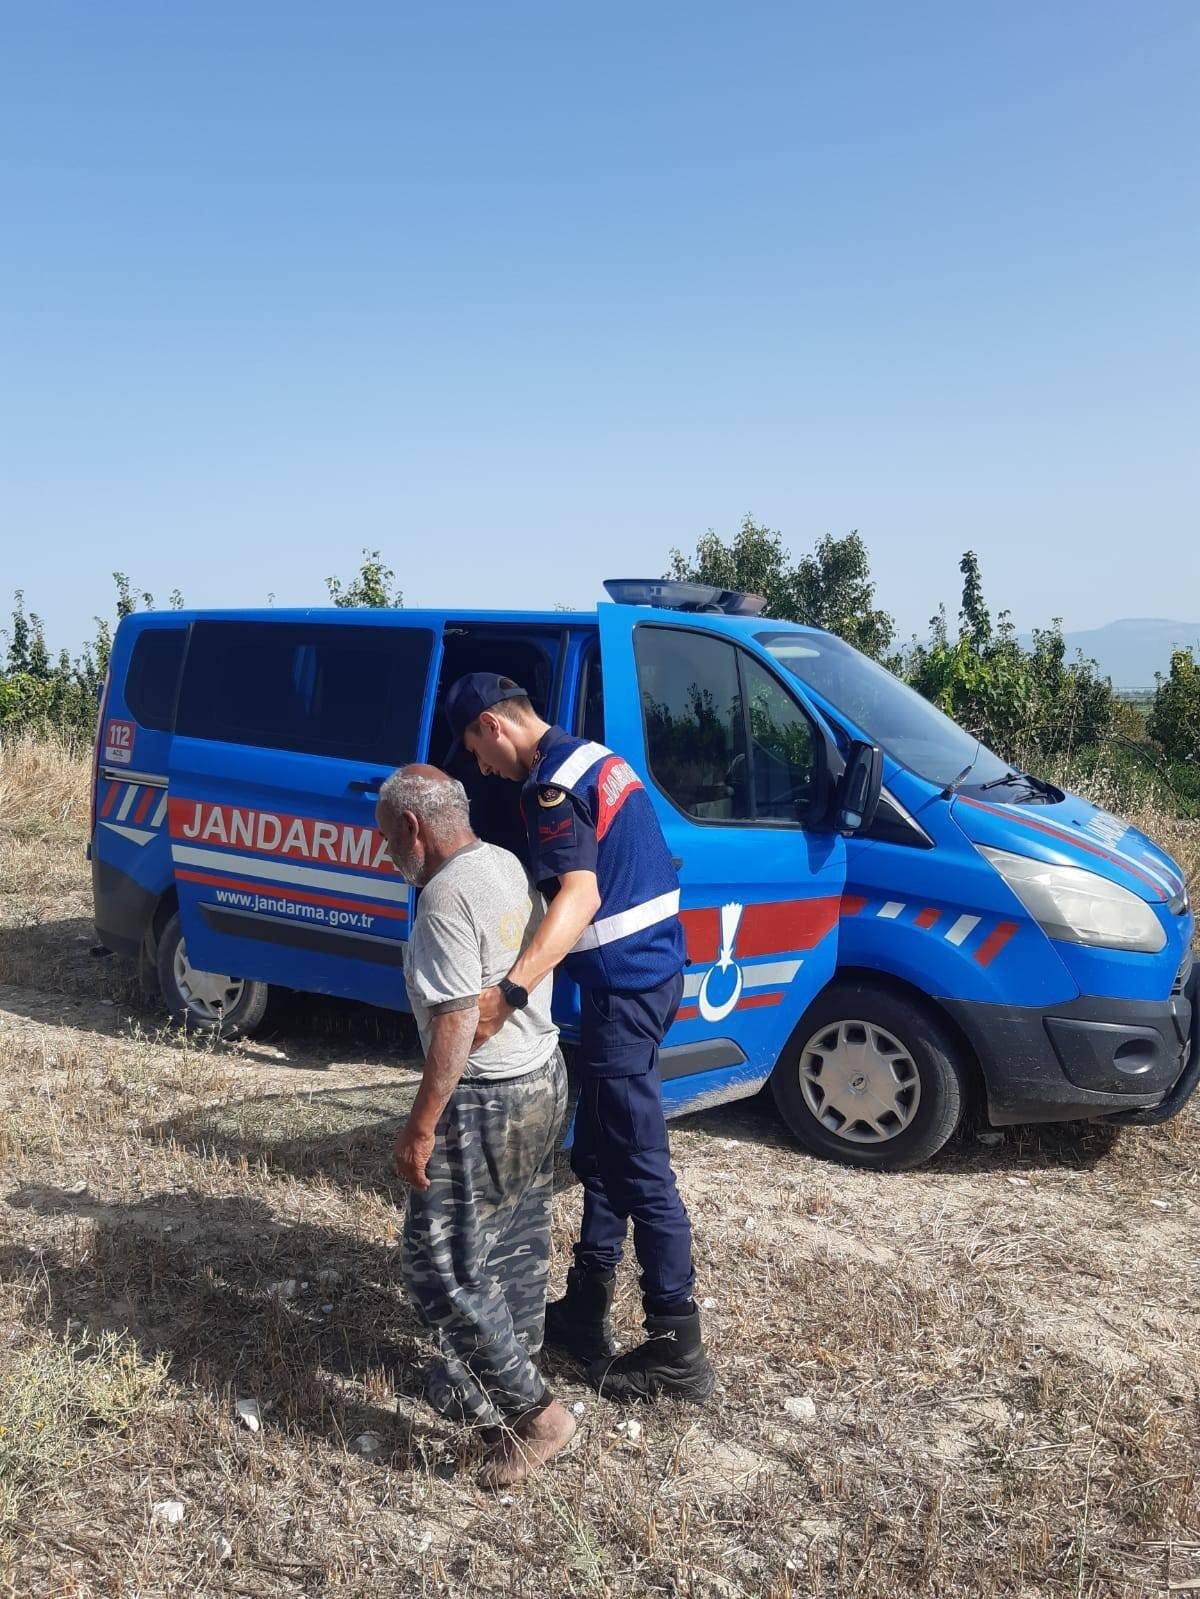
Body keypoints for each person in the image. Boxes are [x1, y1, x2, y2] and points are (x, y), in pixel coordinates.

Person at [444, 673, 715, 1404]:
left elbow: (581, 896)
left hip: (626, 988)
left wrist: (509, 990)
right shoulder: (597, 757)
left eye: (475, 748)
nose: (479, 768)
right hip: (646, 977)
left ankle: (677, 1347)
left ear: (494, 727)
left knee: (639, 1162)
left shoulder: (548, 788)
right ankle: (587, 1305)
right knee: (597, 1147)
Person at [376, 763, 575, 1488]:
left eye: (385, 837)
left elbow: (459, 1021)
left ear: (412, 828)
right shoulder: (502, 862)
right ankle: (486, 1387)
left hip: (488, 1097)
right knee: (511, 1249)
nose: (386, 853)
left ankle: (536, 1416)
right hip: (543, 1078)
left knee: (438, 1268)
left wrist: (421, 1126)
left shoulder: (443, 898)